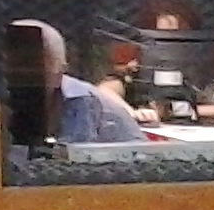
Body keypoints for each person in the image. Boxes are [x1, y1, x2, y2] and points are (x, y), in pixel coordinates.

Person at [12, 18, 143, 143]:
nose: (23, 72)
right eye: (16, 62)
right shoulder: (17, 100)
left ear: (61, 69)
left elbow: (75, 153)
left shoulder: (79, 99)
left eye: (35, 64)